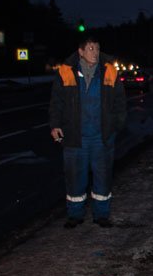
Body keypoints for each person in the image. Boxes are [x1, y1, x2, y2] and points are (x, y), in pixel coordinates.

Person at [49, 35, 127, 227]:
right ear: (81, 52)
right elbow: (56, 102)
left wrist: (116, 126)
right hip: (75, 138)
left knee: (103, 178)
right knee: (75, 178)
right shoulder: (65, 72)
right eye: (91, 49)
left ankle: (102, 214)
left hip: (102, 137)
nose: (95, 52)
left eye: (97, 49)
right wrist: (55, 124)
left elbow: (120, 102)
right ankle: (75, 215)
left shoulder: (109, 71)